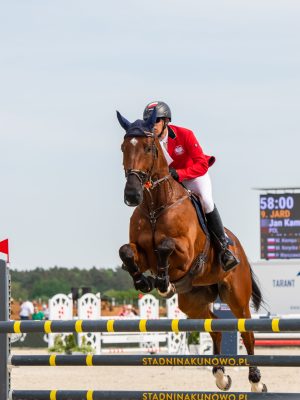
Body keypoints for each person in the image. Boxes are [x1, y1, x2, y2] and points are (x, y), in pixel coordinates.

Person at [143, 101, 239, 271]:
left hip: (194, 175)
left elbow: (201, 164)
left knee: (207, 201)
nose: (153, 125)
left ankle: (224, 248)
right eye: (149, 121)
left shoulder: (184, 134)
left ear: (166, 121)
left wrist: (179, 174)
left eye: (156, 120)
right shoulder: (149, 142)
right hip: (170, 182)